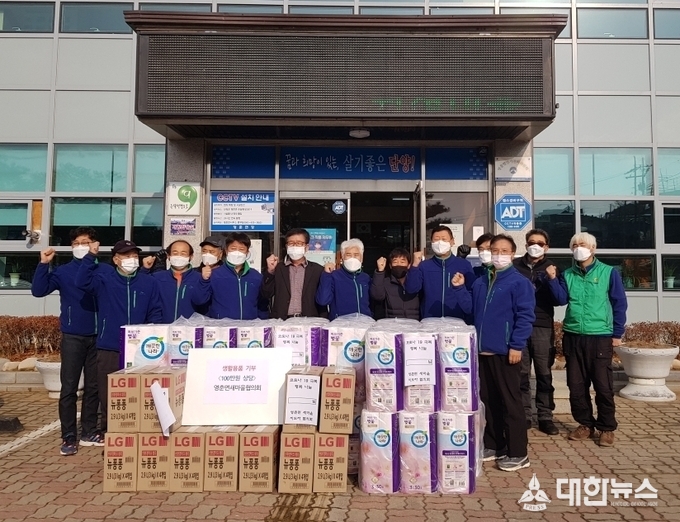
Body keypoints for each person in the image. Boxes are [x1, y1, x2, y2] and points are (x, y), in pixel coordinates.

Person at [452, 234, 536, 471]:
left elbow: (525, 317)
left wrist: (516, 345)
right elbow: (470, 310)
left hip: (506, 352)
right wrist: (459, 288)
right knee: (489, 401)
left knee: (511, 402)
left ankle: (518, 452)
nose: (498, 255)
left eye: (503, 251)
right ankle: (494, 444)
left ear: (513, 254)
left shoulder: (519, 283)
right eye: (493, 250)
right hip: (483, 352)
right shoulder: (481, 281)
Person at [31, 227, 109, 456]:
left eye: (85, 242)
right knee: (69, 388)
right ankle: (68, 436)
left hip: (99, 336)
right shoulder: (64, 271)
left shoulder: (105, 270)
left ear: (95, 245)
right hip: (73, 336)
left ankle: (89, 431)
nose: (80, 246)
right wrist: (43, 264)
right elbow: (38, 291)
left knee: (94, 388)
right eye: (76, 243)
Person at [548, 232, 627, 448]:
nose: (578, 248)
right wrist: (553, 279)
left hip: (600, 335)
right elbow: (560, 299)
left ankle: (606, 427)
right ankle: (585, 424)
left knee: (603, 385)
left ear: (593, 248)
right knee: (576, 385)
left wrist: (617, 333)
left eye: (582, 244)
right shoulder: (567, 274)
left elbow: (619, 303)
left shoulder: (608, 272)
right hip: (573, 335)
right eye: (574, 245)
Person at [75, 239, 162, 434]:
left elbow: (155, 311)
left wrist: (152, 335)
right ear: (116, 259)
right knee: (110, 395)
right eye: (126, 255)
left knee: (140, 393)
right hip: (110, 347)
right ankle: (111, 434)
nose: (132, 259)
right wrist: (90, 256)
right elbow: (81, 282)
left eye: (134, 255)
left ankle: (139, 432)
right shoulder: (104, 280)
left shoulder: (149, 282)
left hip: (140, 350)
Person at [513, 229, 561, 435]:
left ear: (546, 247)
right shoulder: (515, 266)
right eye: (531, 242)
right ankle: (524, 415)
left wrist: (552, 279)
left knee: (544, 374)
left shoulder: (552, 267)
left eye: (540, 243)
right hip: (519, 326)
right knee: (521, 374)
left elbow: (560, 299)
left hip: (542, 326)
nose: (535, 246)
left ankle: (545, 416)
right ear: (526, 245)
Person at [404, 225, 475, 319]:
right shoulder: (424, 266)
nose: (440, 243)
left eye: (444, 239)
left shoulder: (464, 265)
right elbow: (411, 289)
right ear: (431, 242)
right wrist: (415, 265)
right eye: (436, 240)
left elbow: (472, 292)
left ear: (452, 242)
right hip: (430, 320)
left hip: (457, 320)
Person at [193, 232, 266, 319]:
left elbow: (263, 304)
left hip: (249, 325)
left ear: (247, 252)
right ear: (226, 251)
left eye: (241, 249)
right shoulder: (215, 275)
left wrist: (262, 321)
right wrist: (204, 280)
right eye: (233, 248)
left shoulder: (256, 276)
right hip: (221, 325)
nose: (237, 252)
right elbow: (199, 300)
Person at [261, 228, 326, 319]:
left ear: (306, 247)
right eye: (291, 243)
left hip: (309, 320)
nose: (295, 246)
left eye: (299, 243)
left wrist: (323, 320)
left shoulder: (317, 270)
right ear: (286, 246)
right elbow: (266, 294)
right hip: (282, 321)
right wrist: (270, 271)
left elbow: (322, 299)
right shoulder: (278, 268)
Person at [142, 240, 201, 323]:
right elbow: (141, 289)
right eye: (175, 253)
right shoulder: (157, 278)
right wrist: (145, 269)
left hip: (189, 328)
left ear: (191, 257)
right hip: (162, 328)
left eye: (183, 253)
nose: (179, 256)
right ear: (168, 256)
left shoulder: (199, 278)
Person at [316, 238, 371, 319]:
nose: (352, 258)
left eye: (356, 255)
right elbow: (323, 301)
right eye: (348, 255)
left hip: (364, 322)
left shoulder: (365, 278)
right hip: (340, 324)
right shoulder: (334, 276)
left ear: (362, 258)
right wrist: (326, 275)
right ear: (342, 257)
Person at [370, 247, 420, 320]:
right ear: (390, 266)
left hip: (414, 323)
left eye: (402, 262)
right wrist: (380, 271)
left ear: (409, 265)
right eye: (395, 262)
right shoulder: (386, 282)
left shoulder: (416, 281)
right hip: (392, 323)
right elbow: (377, 296)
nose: (399, 264)